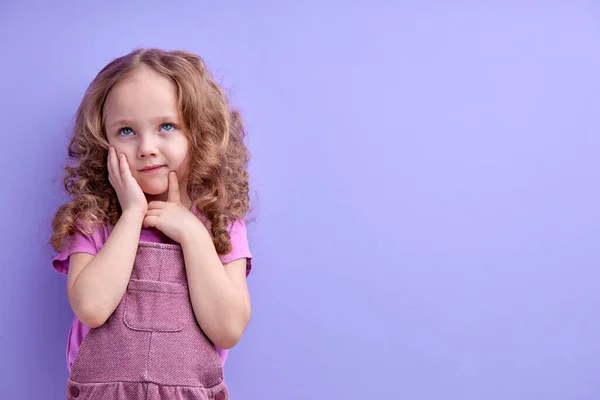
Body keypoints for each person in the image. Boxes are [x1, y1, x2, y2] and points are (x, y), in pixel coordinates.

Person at [50, 48, 253, 400]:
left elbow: (228, 329)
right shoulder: (95, 219)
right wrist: (130, 216)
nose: (146, 147)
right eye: (126, 130)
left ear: (200, 133)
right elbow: (91, 308)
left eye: (166, 127)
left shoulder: (219, 224)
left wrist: (193, 236)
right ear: (104, 143)